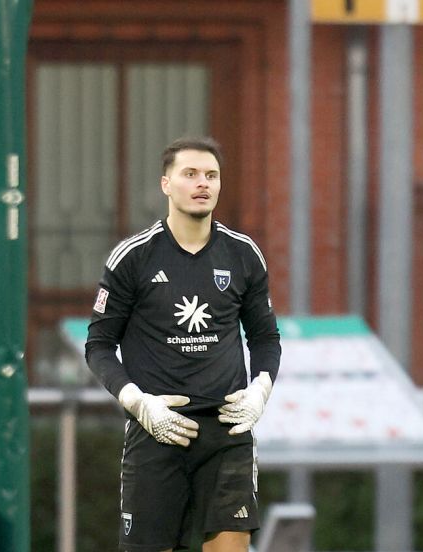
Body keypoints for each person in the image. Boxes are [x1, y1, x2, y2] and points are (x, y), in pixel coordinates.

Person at [85, 136, 281, 552]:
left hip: (227, 433)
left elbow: (265, 338)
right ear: (166, 184)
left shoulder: (243, 255)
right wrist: (139, 403)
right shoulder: (133, 257)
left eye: (211, 175)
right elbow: (99, 346)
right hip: (159, 433)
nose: (202, 184)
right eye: (190, 174)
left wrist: (260, 390)